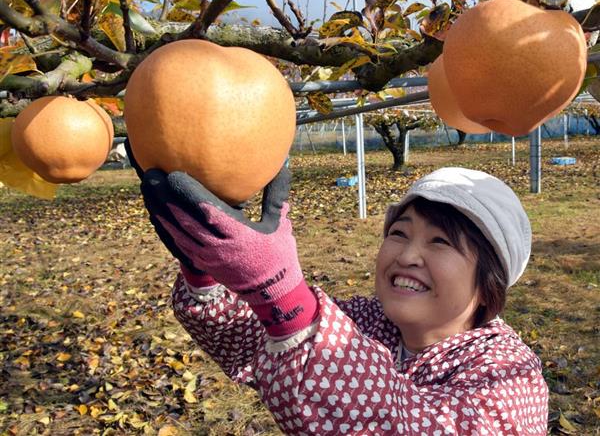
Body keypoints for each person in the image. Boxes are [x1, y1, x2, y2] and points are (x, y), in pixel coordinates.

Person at [126, 141, 548, 435]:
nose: (407, 256)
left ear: (488, 282)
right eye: (399, 233)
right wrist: (205, 271)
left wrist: (284, 295)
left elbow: (413, 426)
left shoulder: (510, 374)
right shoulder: (368, 322)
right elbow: (256, 341)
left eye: (439, 242)